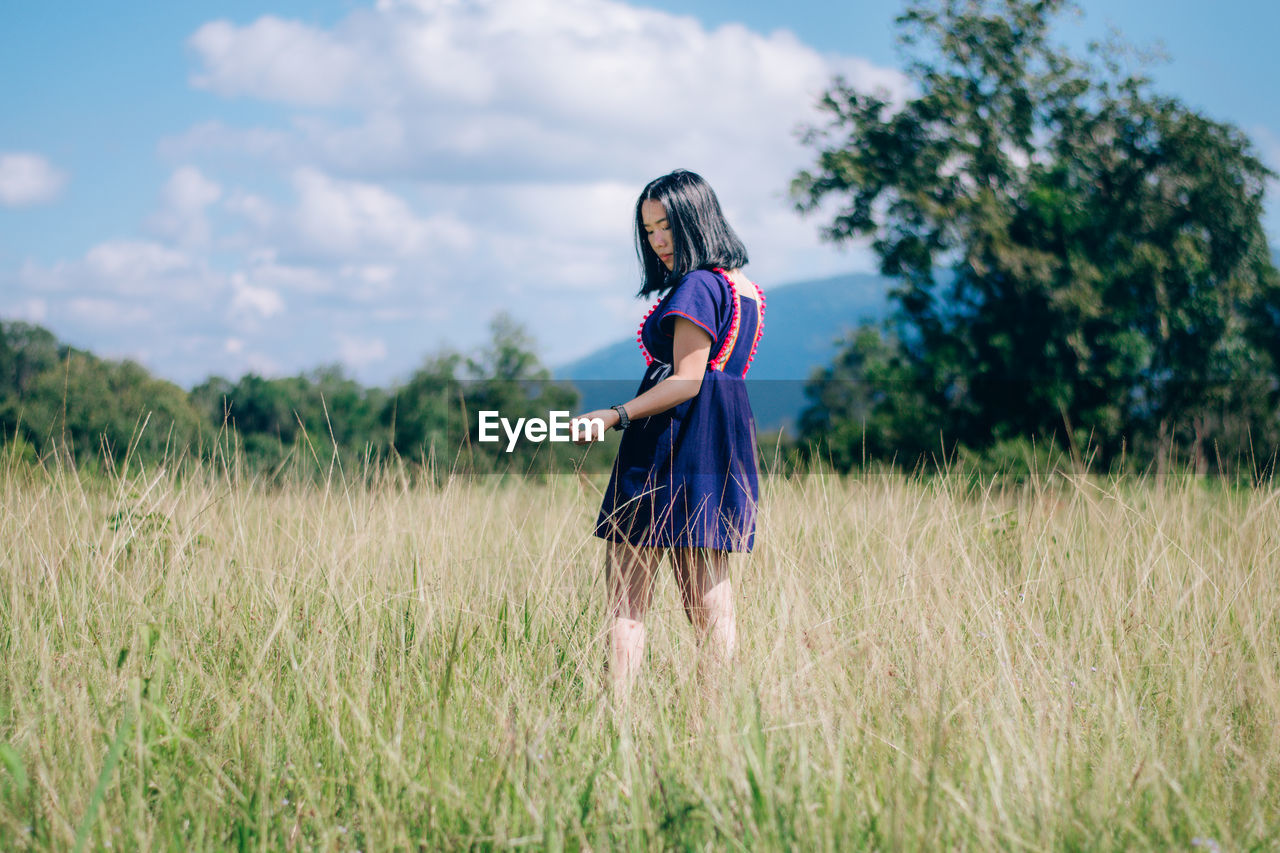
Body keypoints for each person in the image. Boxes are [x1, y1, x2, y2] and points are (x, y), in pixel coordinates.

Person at [571, 169, 765, 692]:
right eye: (649, 229)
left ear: (697, 221)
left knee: (627, 598)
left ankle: (620, 717)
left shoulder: (699, 285)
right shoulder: (742, 288)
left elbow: (685, 380)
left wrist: (613, 415)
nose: (657, 241)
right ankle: (717, 715)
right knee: (709, 595)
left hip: (673, 441)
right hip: (722, 440)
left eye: (667, 227)